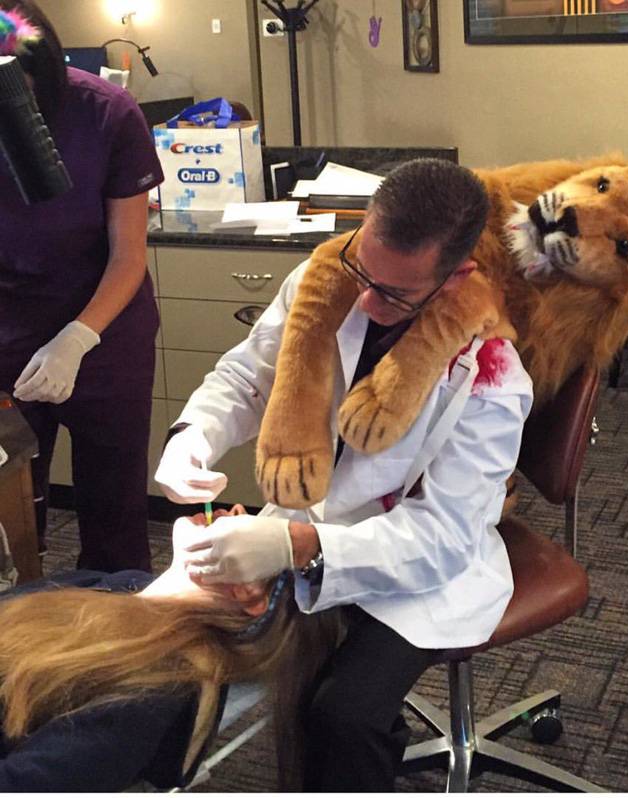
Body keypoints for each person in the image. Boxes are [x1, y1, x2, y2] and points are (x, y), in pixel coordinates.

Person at [155, 157, 535, 791]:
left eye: (392, 293)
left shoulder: (492, 381)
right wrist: (192, 437)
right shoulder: (326, 280)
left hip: (421, 568)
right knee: (172, 658)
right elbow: (251, 376)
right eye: (361, 267)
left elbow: (442, 536)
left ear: (455, 277)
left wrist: (296, 547)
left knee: (342, 717)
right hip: (310, 524)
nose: (364, 298)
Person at [0, 505, 342, 791]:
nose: (236, 509)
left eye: (257, 532)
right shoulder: (119, 586)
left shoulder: (156, 691)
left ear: (250, 593)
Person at [0, 1, 163, 571]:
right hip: (9, 328)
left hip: (106, 330)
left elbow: (129, 254)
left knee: (113, 509)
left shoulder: (106, 112)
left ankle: (118, 633)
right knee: (11, 505)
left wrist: (77, 338)